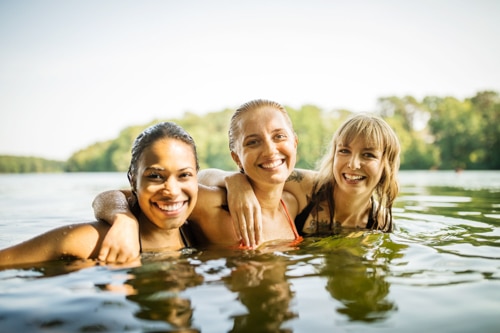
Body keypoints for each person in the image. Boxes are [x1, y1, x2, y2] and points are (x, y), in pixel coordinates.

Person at [93, 99, 303, 262]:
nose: (270, 150)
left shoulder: (292, 204)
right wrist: (123, 220)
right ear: (236, 157)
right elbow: (114, 196)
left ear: (294, 143)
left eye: (279, 136)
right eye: (253, 142)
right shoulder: (214, 204)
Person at [0, 122, 199, 267]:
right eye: (155, 176)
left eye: (184, 175)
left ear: (196, 177)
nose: (172, 191)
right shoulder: (93, 239)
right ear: (133, 181)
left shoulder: (201, 232)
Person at [202, 113, 401, 244]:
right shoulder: (306, 186)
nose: (353, 164)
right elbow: (202, 177)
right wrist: (234, 180)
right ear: (333, 155)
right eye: (344, 151)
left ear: (387, 165)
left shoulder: (380, 221)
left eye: (368, 155)